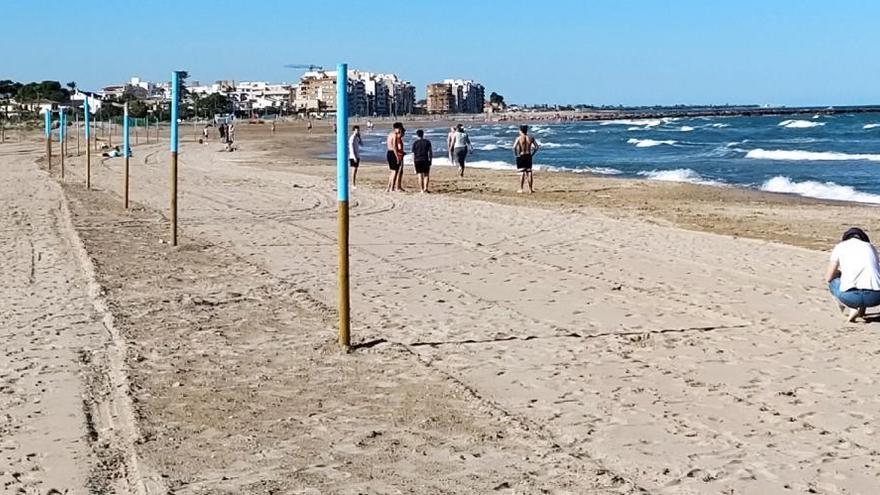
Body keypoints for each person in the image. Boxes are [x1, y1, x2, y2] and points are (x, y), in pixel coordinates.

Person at [826, 227, 880, 322]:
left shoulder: (840, 247)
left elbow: (828, 277)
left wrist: (839, 273)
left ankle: (851, 308)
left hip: (851, 296)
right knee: (869, 277)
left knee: (833, 281)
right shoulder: (870, 247)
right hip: (876, 297)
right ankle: (862, 311)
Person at [513, 125, 540, 193]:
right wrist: (533, 154)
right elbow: (537, 147)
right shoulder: (531, 138)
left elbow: (514, 147)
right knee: (529, 172)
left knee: (522, 172)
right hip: (528, 155)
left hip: (521, 155)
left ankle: (521, 189)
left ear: (521, 131)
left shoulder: (519, 138)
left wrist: (516, 155)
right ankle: (530, 189)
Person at [411, 129, 433, 193]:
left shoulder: (415, 143)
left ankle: (421, 189)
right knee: (426, 175)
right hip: (425, 159)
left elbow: (413, 154)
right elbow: (430, 152)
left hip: (417, 160)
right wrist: (430, 160)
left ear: (417, 135)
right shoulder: (427, 142)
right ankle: (426, 188)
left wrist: (413, 163)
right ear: (423, 134)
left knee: (420, 175)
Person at [385, 122, 405, 192]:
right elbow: (394, 146)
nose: (399, 131)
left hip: (389, 153)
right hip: (393, 153)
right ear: (395, 129)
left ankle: (388, 187)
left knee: (392, 171)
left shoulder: (389, 134)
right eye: (399, 129)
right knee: (394, 172)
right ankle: (391, 188)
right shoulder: (394, 135)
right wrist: (397, 156)